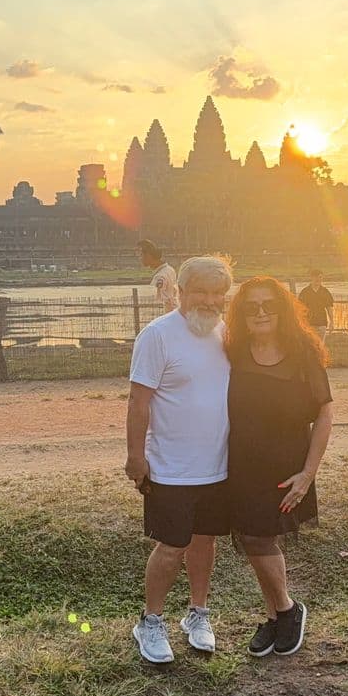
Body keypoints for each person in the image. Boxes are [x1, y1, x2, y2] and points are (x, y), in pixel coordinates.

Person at [125, 254, 234, 664]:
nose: (210, 300)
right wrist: (135, 457)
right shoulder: (157, 335)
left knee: (204, 541)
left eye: (218, 293)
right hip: (170, 467)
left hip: (217, 465)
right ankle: (150, 621)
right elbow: (138, 401)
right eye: (201, 291)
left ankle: (197, 614)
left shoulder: (226, 333)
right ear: (181, 291)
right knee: (171, 546)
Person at [225, 276, 333, 658]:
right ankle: (276, 615)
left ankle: (286, 610)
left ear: (283, 309)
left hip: (287, 469)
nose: (260, 313)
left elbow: (325, 413)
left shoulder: (303, 353)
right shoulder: (233, 352)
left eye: (269, 305)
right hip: (240, 466)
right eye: (251, 306)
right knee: (253, 538)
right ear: (241, 313)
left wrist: (308, 474)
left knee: (260, 539)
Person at [141, 240, 179, 316]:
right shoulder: (170, 269)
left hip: (166, 314)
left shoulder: (159, 277)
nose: (140, 258)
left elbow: (158, 300)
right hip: (175, 311)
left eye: (141, 255)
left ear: (148, 256)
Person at [298, 268, 334, 345]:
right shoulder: (305, 291)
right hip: (309, 323)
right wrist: (300, 322)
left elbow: (329, 307)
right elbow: (300, 308)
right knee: (309, 344)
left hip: (322, 323)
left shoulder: (325, 292)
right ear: (311, 277)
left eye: (320, 277)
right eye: (316, 277)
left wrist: (332, 322)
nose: (318, 279)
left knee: (320, 345)